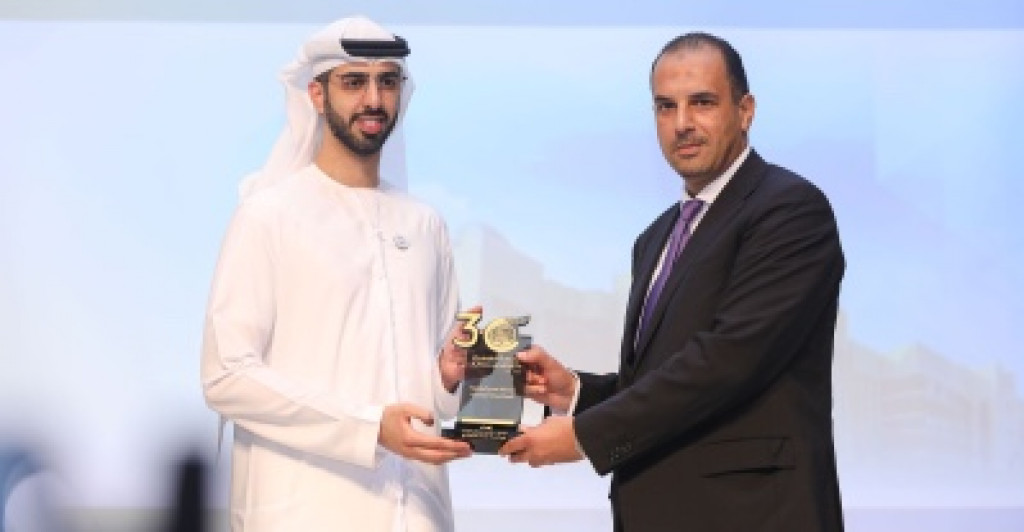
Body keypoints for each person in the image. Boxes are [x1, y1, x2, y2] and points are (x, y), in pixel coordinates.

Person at [499, 32, 846, 531]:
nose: (682, 123)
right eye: (666, 107)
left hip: (753, 516)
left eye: (702, 102)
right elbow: (661, 381)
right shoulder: (656, 237)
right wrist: (574, 391)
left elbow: (726, 362)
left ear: (745, 110)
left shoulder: (789, 209)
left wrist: (583, 436)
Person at [201, 16, 473, 532]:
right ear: (317, 95)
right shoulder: (268, 216)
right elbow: (226, 376)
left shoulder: (424, 223)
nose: (374, 99)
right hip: (304, 510)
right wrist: (368, 428)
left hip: (417, 512)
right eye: (354, 82)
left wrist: (447, 376)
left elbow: (432, 394)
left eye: (387, 82)